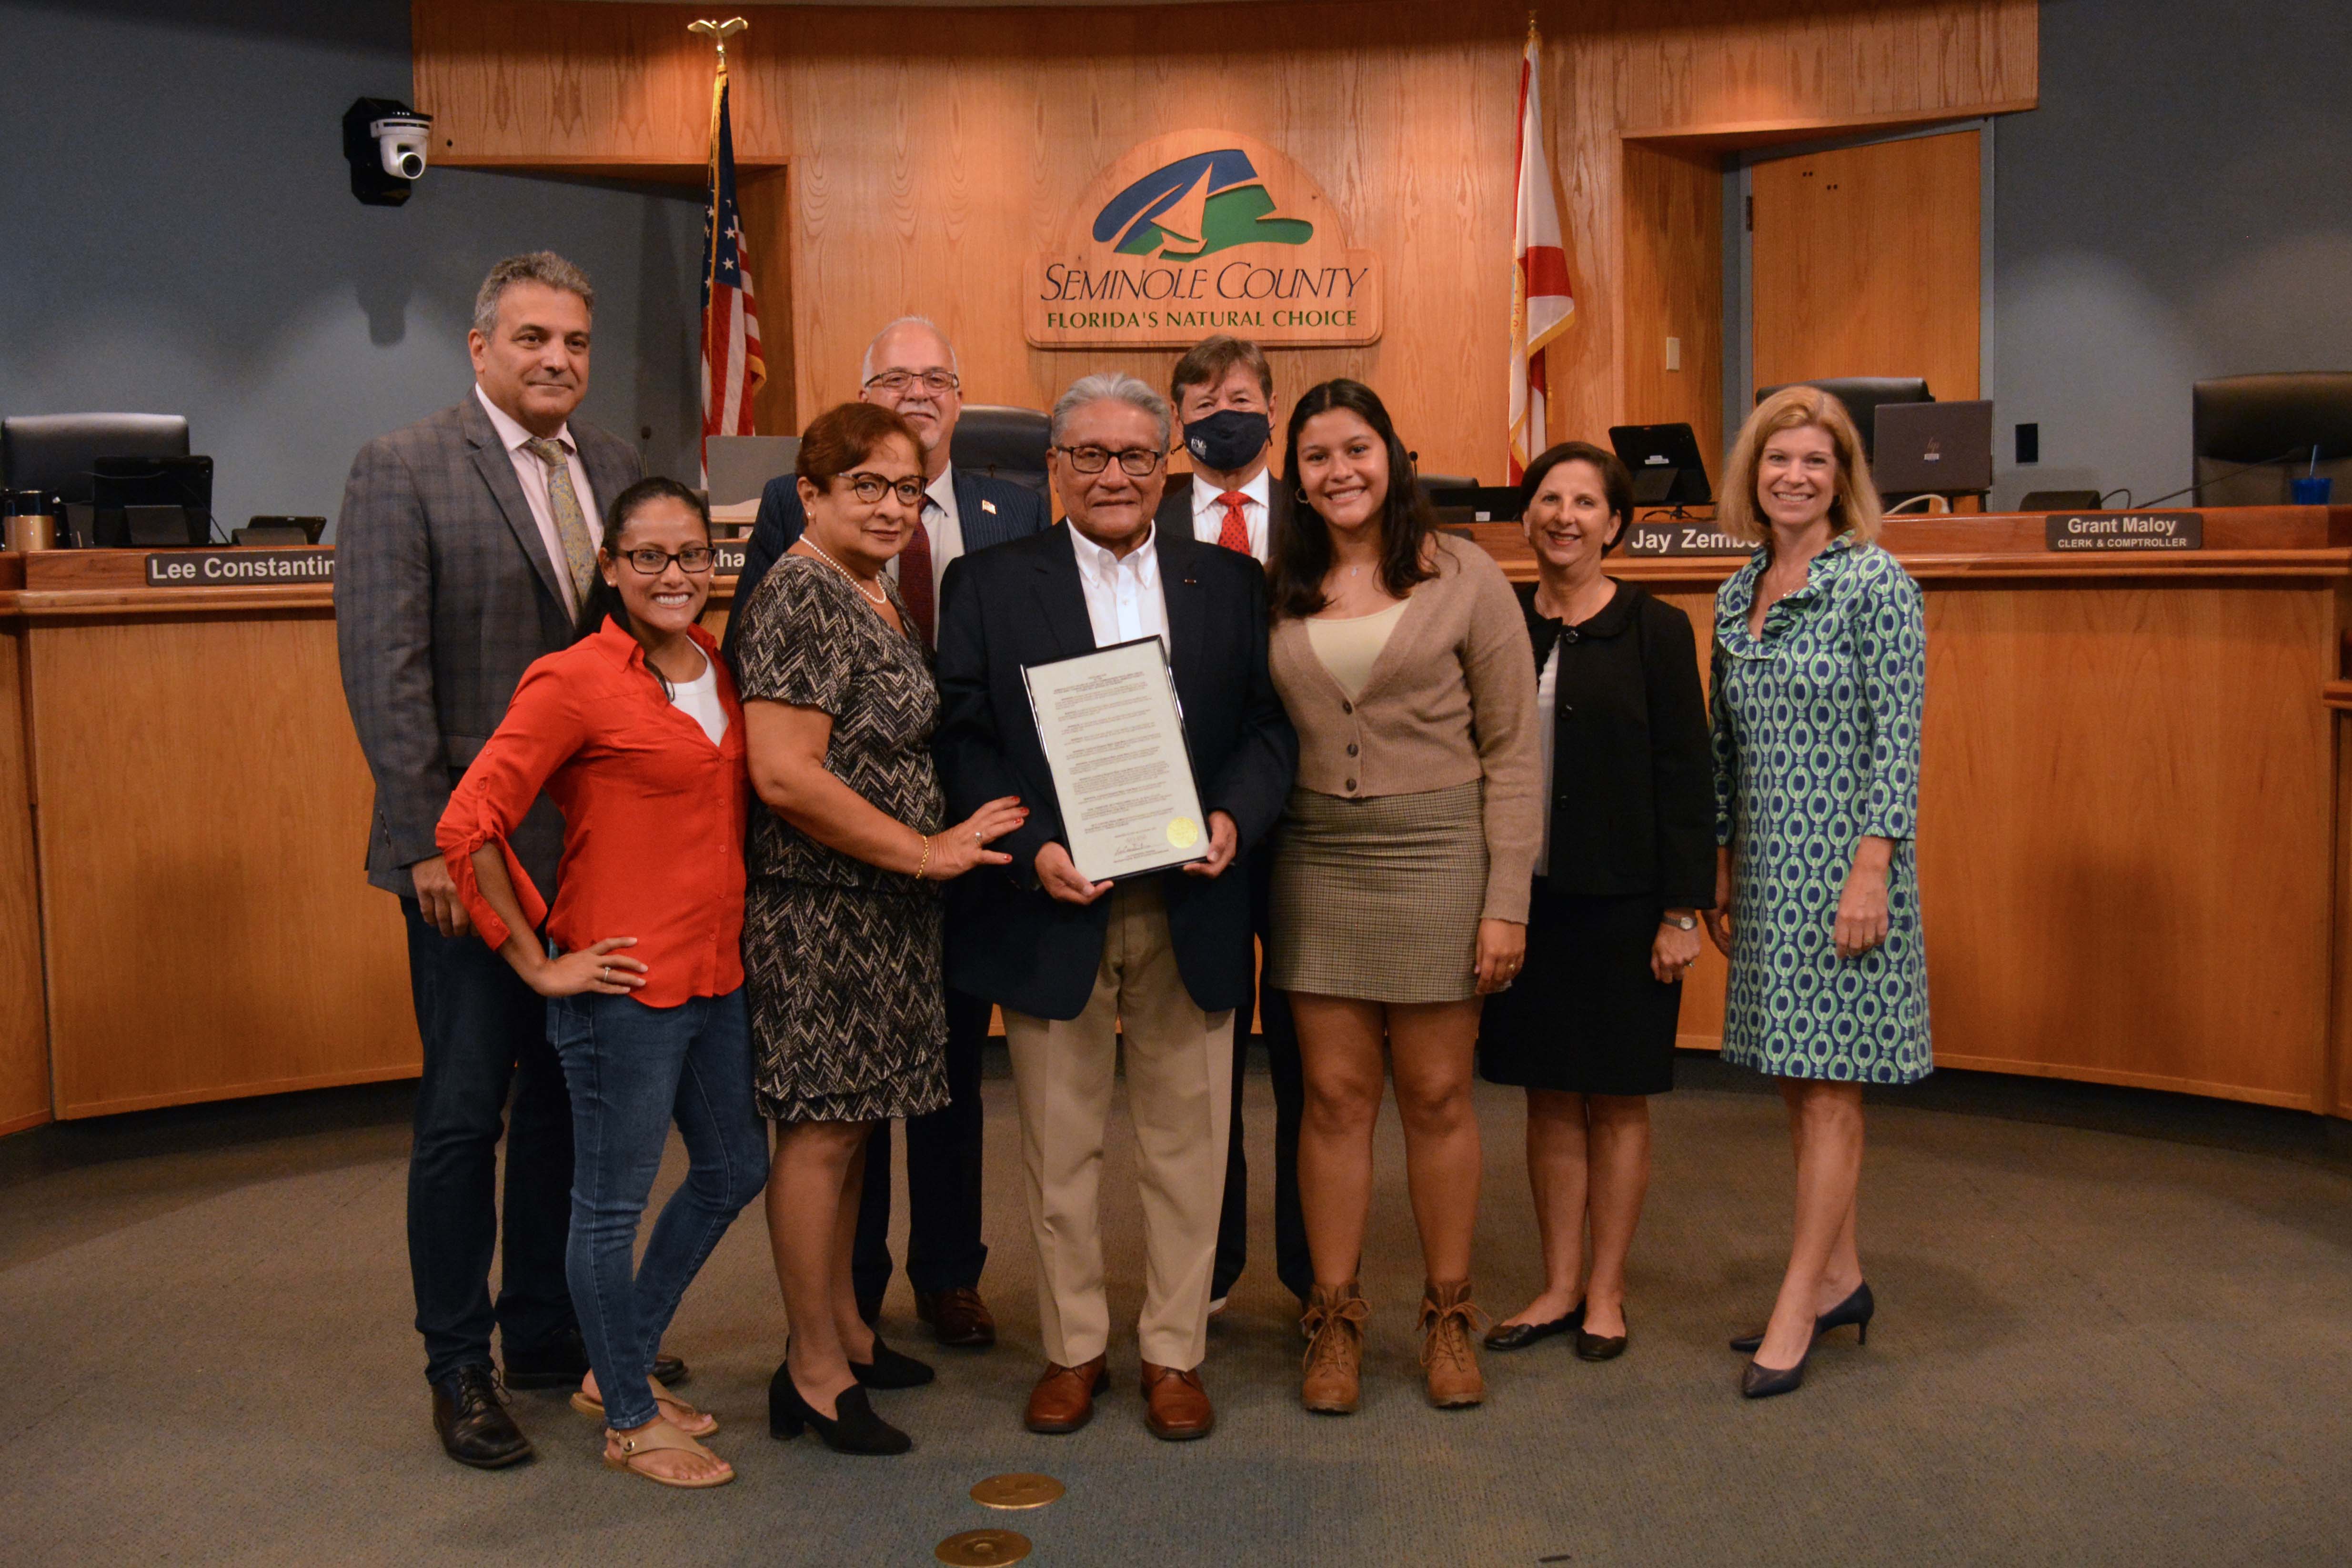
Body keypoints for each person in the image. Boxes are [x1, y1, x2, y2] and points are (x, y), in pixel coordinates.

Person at [337, 251, 699, 1470]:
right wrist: (426, 841)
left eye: (576, 344)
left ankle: (548, 1330)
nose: (558, 361)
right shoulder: (403, 467)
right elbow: (386, 676)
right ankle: (459, 1362)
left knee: (563, 1101)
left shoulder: (607, 469)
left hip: (588, 854)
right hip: (467, 859)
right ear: (483, 345)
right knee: (463, 1109)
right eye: (534, 338)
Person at [934, 373, 1297, 1442]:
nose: (1113, 475)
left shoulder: (1229, 580)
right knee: (1061, 1144)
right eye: (1088, 455)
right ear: (1053, 467)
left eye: (1136, 456)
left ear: (1165, 465)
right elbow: (962, 735)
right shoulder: (989, 582)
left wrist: (1234, 817)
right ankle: (1075, 1346)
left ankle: (1174, 1350)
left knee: (1191, 1143)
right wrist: (1030, 845)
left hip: (1193, 895)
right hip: (1055, 900)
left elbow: (1269, 731)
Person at [435, 478, 767, 1488]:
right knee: (608, 1207)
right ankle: (628, 1411)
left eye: (692, 553)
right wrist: (538, 958)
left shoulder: (715, 662)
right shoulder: (572, 676)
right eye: (651, 557)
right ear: (613, 569)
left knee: (733, 1168)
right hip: (617, 985)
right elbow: (468, 821)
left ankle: (613, 1360)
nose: (676, 574)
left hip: (715, 973)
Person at [726, 316, 1048, 1348]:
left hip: (903, 899)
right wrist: (924, 847)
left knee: (883, 1113)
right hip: (834, 902)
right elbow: (781, 766)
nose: (892, 504)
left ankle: (861, 1330)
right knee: (825, 1135)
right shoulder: (806, 585)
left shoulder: (879, 585)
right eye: (866, 484)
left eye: (906, 490)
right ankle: (821, 1351)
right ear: (810, 495)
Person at [1263, 378, 1540, 1415]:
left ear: (1393, 454)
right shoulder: (1278, 581)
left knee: (1435, 1097)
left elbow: (1514, 753)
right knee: (1333, 1101)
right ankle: (1333, 1319)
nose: (1340, 471)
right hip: (1317, 859)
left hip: (1438, 853)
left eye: (1357, 448)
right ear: (1296, 475)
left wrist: (1505, 896)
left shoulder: (1464, 573)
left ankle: (1449, 1312)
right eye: (1318, 456)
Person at [1704, 384, 1930, 1399]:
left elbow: (1901, 736)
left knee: (1832, 1087)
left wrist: (1873, 866)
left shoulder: (1876, 582)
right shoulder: (1736, 587)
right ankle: (1841, 1275)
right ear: (1752, 476)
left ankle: (1798, 1302)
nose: (1793, 476)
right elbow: (1724, 744)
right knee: (1799, 1082)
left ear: (1844, 478)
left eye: (1814, 462)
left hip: (1847, 869)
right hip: (1767, 868)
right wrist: (1718, 858)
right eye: (1776, 460)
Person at [1475, 442, 1713, 1364]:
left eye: (1584, 502)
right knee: (1545, 1101)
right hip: (1525, 902)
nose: (1563, 515)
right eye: (1547, 499)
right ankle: (1557, 1283)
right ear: (1525, 515)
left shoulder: (1654, 629)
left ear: (1616, 524)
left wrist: (1681, 911)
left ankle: (1607, 1292)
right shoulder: (1501, 623)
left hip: (1627, 908)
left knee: (1614, 1103)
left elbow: (1685, 777)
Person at [1153, 334, 1311, 1313]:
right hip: (1180, 826)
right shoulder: (1143, 511)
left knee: (1307, 1058)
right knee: (1200, 1063)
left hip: (1306, 823)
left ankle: (1309, 1271)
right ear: (1178, 419)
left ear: (1273, 408)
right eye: (1205, 399)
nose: (1225, 412)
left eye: (1243, 395)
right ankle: (1206, 1270)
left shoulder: (1322, 512)